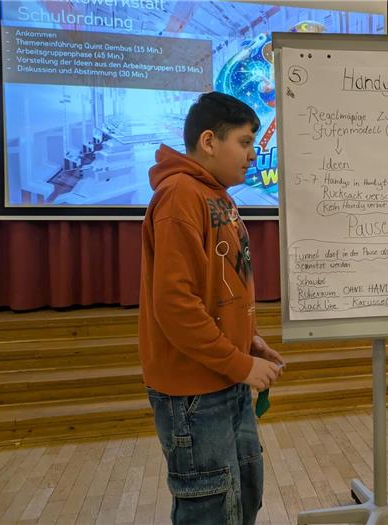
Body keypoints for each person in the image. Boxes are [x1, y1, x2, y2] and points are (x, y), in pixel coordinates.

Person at [139, 91, 284, 524]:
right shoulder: (181, 195)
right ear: (208, 141)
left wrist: (246, 343)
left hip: (224, 375)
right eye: (243, 142)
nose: (253, 152)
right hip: (194, 392)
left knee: (243, 496)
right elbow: (176, 306)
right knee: (210, 509)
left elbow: (220, 288)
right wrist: (237, 363)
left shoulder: (217, 195)